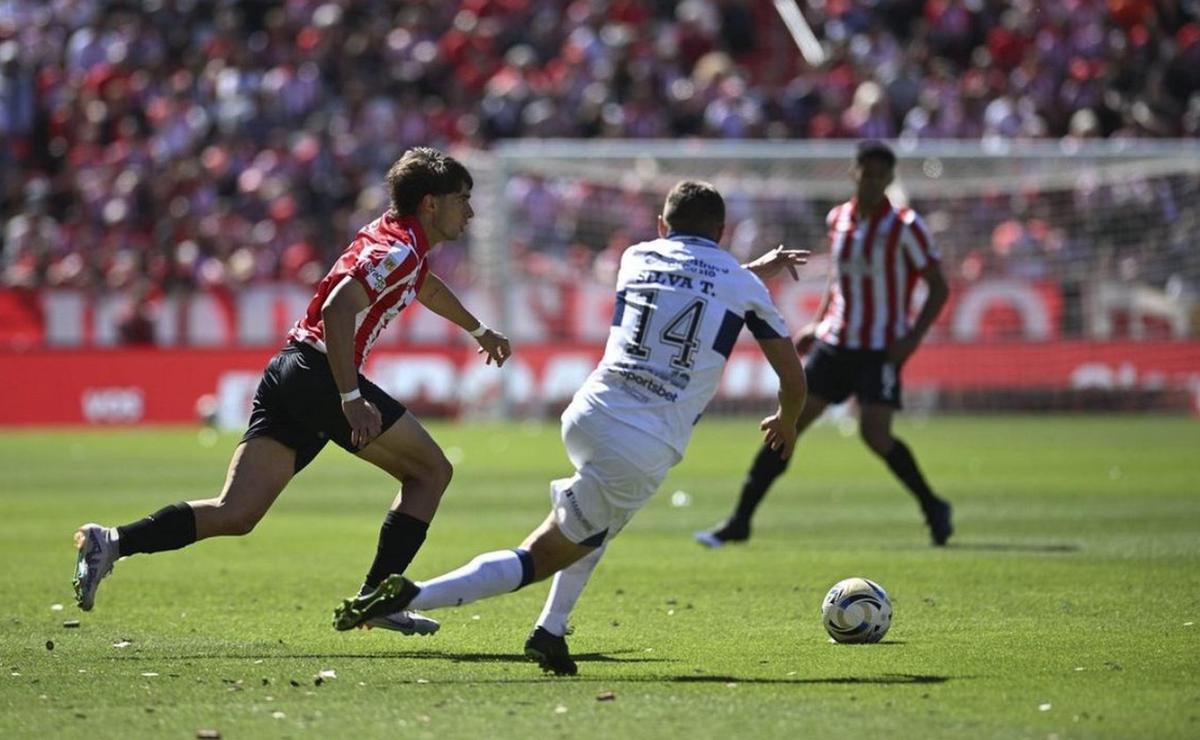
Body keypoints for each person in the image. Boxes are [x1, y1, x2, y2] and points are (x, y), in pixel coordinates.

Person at [330, 180, 810, 675]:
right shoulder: (742, 284)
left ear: (662, 226)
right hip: (643, 440)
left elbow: (690, 283)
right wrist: (788, 421)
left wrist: (747, 273)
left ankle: (550, 632)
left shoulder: (637, 256)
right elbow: (792, 376)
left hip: (590, 411)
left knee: (595, 528)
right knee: (540, 556)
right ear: (723, 231)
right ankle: (409, 595)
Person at [72, 147, 512, 636]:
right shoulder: (400, 252)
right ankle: (378, 597)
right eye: (463, 199)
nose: (470, 212)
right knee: (431, 471)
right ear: (431, 203)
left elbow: (425, 288)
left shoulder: (399, 242)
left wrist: (478, 330)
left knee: (235, 512)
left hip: (290, 369)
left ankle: (109, 542)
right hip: (322, 375)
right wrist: (350, 396)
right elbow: (338, 311)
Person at [695, 140, 953, 550]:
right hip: (836, 343)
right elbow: (839, 277)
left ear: (889, 178)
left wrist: (910, 338)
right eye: (865, 172)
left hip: (880, 349)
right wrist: (817, 322)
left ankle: (933, 507)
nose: (871, 180)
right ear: (854, 173)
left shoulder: (906, 227)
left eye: (880, 175)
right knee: (787, 426)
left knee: (875, 434)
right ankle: (740, 520)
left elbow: (939, 288)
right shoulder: (840, 219)